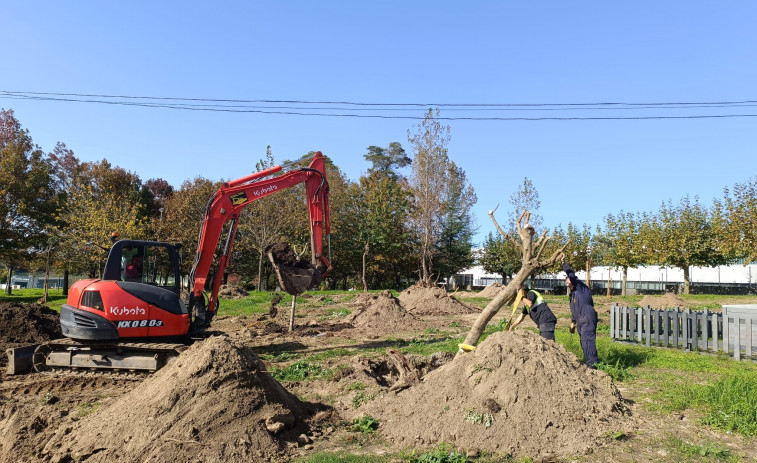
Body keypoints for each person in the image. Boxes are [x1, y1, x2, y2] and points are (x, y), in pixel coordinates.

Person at [563, 261, 599, 368]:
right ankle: (589, 361)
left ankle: (593, 365)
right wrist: (573, 323)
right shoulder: (573, 294)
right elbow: (575, 310)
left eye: (568, 278)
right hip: (581, 320)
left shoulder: (581, 287)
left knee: (588, 341)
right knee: (584, 342)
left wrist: (563, 263)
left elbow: (571, 275)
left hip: (587, 318)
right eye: (566, 279)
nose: (567, 280)